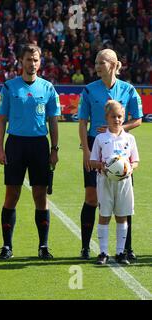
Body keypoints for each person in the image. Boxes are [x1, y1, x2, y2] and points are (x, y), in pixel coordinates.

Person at [0, 44, 60, 260]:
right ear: (20, 61)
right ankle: (7, 246)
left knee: (40, 195)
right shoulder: (9, 87)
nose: (32, 64)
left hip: (39, 145)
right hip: (15, 144)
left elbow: (53, 120)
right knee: (12, 194)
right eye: (28, 60)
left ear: (39, 62)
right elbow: (2, 119)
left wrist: (54, 149)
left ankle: (43, 246)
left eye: (35, 60)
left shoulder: (48, 88)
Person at [78, 48, 143, 261]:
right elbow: (82, 122)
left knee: (124, 198)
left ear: (114, 65)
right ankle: (86, 247)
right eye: (96, 62)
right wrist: (86, 151)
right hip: (94, 145)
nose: (97, 66)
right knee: (92, 197)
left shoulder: (128, 89)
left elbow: (138, 119)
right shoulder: (88, 90)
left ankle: (127, 248)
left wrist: (117, 128)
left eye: (101, 62)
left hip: (121, 150)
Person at [89, 100, 139, 265]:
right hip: (105, 181)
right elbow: (93, 161)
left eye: (119, 116)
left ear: (124, 117)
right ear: (106, 117)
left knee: (122, 216)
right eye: (113, 116)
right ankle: (103, 252)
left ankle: (120, 252)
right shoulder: (100, 138)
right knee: (104, 216)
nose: (116, 120)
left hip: (124, 182)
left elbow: (135, 161)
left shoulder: (130, 138)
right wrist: (103, 166)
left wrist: (130, 168)